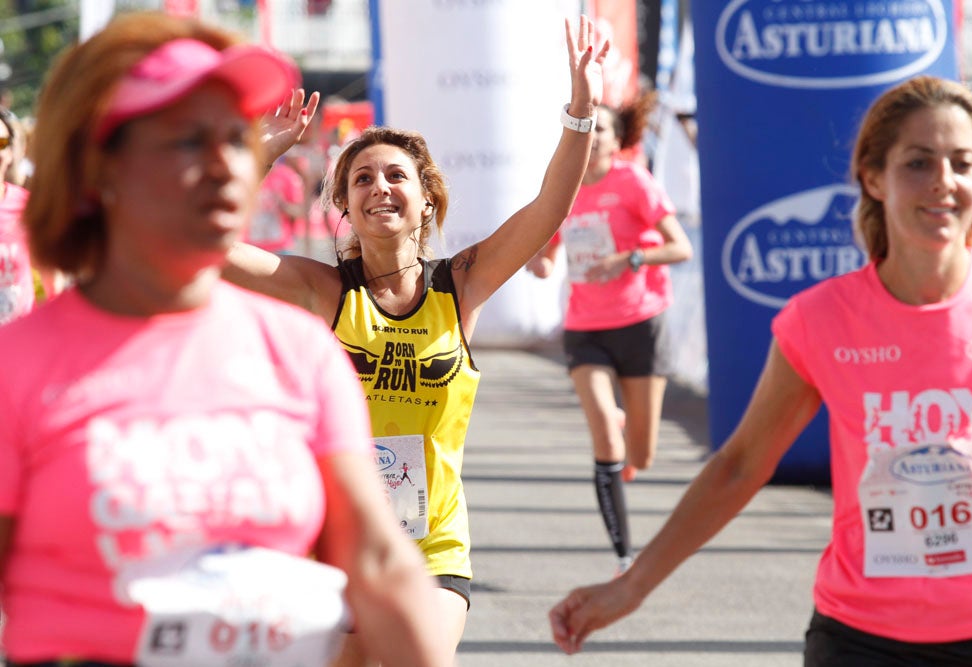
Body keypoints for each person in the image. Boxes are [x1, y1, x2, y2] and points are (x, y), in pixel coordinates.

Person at [0, 11, 447, 666]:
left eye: (236, 138)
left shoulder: (300, 353)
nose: (223, 164)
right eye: (185, 141)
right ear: (101, 170)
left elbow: (380, 561)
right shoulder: (21, 367)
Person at [550, 74, 972, 665]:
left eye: (962, 163)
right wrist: (629, 587)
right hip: (864, 637)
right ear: (873, 178)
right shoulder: (821, 319)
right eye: (918, 163)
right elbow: (740, 465)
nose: (944, 182)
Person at [223, 16, 610, 666]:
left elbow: (549, 207)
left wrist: (581, 109)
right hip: (337, 539)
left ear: (427, 200)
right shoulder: (325, 291)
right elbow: (207, 249)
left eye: (396, 176)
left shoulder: (461, 284)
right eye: (363, 179)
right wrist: (259, 153)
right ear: (345, 205)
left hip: (432, 544)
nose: (380, 187)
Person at [526, 93, 692, 575]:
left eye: (602, 129)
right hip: (586, 329)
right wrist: (538, 263)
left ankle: (626, 430)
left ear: (617, 142)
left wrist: (630, 258)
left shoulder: (634, 182)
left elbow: (679, 248)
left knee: (641, 454)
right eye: (587, 127)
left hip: (641, 320)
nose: (593, 135)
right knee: (603, 434)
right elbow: (549, 257)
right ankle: (623, 556)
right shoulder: (564, 187)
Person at [0, 108, 33, 324]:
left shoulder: (28, 207)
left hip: (22, 346)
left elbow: (52, 278)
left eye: (0, 143)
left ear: (11, 152)